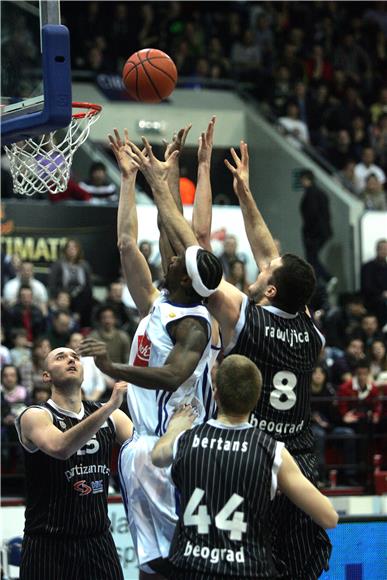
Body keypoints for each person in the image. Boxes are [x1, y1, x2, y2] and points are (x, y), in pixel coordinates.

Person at [149, 139, 333, 579]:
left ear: (270, 291)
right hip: (303, 460)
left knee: (249, 561)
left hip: (255, 456)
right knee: (303, 565)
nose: (258, 267)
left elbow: (195, 254)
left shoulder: (245, 318)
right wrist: (245, 192)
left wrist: (158, 188)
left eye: (264, 274)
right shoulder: (312, 332)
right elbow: (271, 255)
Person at [79, 120, 223, 578]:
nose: (173, 255)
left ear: (185, 279)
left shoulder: (195, 327)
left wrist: (111, 365)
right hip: (143, 448)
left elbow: (170, 375)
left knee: (177, 564)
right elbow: (128, 243)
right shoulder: (161, 303)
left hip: (174, 447)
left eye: (178, 260)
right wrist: (132, 178)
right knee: (151, 566)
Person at [152, 355, 338, 579]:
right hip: (248, 569)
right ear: (257, 398)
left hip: (192, 568)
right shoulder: (271, 451)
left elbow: (158, 456)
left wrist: (175, 427)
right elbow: (329, 518)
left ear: (216, 393)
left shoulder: (186, 440)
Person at [15, 346, 133, 580]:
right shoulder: (34, 415)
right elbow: (60, 448)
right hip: (47, 545)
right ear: (46, 375)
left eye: (75, 358)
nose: (71, 360)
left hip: (98, 542)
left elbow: (146, 453)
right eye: (61, 357)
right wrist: (110, 406)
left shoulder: (111, 416)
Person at [299, 169, 334, 288]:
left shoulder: (310, 194)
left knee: (311, 258)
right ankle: (321, 280)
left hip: (314, 233)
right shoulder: (321, 193)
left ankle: (326, 278)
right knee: (313, 258)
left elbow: (311, 214)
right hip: (322, 232)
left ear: (305, 179)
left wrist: (309, 233)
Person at [48, 239, 94, 328]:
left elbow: (89, 286)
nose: (71, 250)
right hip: (63, 296)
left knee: (89, 298)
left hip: (81, 299)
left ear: (78, 250)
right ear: (65, 250)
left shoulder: (85, 265)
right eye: (69, 248)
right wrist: (53, 299)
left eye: (74, 248)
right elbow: (52, 284)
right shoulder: (58, 264)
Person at [361, 239, 387, 326]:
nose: (384, 251)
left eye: (386, 249)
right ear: (377, 250)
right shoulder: (368, 267)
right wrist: (382, 293)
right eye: (382, 249)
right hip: (373, 299)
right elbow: (367, 286)